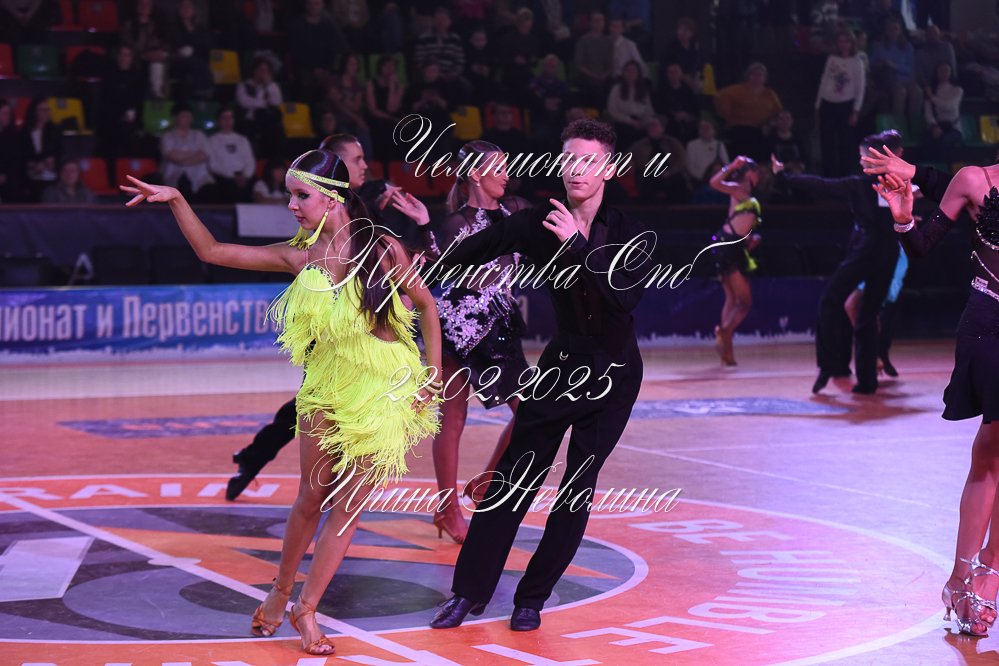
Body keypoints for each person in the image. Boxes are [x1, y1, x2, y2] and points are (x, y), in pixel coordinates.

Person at [121, 148, 441, 655]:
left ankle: (306, 610)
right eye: (289, 195)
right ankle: (280, 590)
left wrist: (433, 374)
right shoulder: (299, 255)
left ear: (332, 198)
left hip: (385, 390)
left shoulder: (382, 248)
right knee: (311, 499)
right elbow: (212, 251)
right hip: (325, 387)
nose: (291, 205)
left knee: (349, 508)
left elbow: (426, 305)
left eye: (300, 195)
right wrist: (178, 199)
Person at [429, 118, 649, 633]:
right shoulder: (538, 222)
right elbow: (473, 247)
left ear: (608, 169)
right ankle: (468, 594)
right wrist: (415, 267)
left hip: (614, 374)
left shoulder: (630, 232)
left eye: (590, 160)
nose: (577, 169)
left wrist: (577, 246)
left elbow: (624, 299)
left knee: (576, 489)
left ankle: (531, 599)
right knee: (512, 481)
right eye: (570, 158)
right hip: (561, 368)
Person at [227, 134, 434, 500]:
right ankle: (264, 463)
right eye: (356, 160)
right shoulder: (323, 209)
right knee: (306, 412)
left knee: (325, 426)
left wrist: (421, 228)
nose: (364, 166)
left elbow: (407, 265)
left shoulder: (375, 205)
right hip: (331, 338)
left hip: (371, 345)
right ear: (333, 169)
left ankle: (274, 467)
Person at [868, 149, 999, 637]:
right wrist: (903, 218)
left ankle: (976, 576)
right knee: (992, 453)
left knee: (993, 452)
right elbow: (921, 246)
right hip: (990, 326)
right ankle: (973, 577)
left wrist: (919, 172)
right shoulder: (975, 180)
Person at [417, 140, 532, 544]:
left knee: (531, 412)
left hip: (498, 325)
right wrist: (423, 227)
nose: (506, 175)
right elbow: (428, 268)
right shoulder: (456, 223)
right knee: (452, 420)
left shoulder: (516, 209)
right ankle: (447, 509)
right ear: (476, 175)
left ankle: (486, 482)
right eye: (498, 168)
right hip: (457, 325)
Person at [773, 129, 904, 395]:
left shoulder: (860, 184)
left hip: (867, 250)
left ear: (872, 158)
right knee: (867, 315)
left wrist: (783, 176)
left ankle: (829, 365)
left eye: (862, 157)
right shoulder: (896, 183)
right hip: (889, 252)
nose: (860, 161)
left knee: (830, 301)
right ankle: (867, 381)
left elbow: (821, 185)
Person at [708, 156, 761, 366]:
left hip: (731, 245)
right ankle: (725, 332)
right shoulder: (739, 190)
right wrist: (731, 166)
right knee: (745, 303)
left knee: (731, 297)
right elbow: (714, 183)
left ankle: (727, 351)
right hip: (728, 246)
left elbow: (740, 224)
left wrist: (749, 239)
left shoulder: (745, 194)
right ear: (749, 173)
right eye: (757, 171)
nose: (760, 175)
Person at [814, 29, 865, 177]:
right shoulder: (832, 59)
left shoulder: (857, 62)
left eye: (847, 41)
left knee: (845, 141)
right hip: (828, 102)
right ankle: (828, 174)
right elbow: (824, 81)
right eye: (841, 41)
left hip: (846, 105)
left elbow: (860, 87)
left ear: (852, 43)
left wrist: (856, 110)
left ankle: (844, 174)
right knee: (827, 140)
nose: (843, 45)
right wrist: (817, 105)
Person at [714, 62, 782, 162]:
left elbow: (778, 112)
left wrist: (770, 124)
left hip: (761, 131)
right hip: (740, 130)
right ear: (748, 76)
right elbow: (720, 97)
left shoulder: (769, 94)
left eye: (760, 75)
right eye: (754, 74)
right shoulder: (736, 90)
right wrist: (728, 117)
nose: (757, 77)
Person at [160, 104, 214, 200]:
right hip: (175, 176)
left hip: (199, 176)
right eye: (183, 116)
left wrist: (183, 158)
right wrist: (195, 154)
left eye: (189, 116)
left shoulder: (199, 135)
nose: (187, 119)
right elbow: (171, 155)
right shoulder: (167, 136)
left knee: (210, 191)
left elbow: (205, 154)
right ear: (175, 118)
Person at [208, 107, 256, 202]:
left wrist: (246, 175)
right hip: (224, 177)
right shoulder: (212, 140)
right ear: (218, 121)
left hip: (244, 176)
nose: (228, 121)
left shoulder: (242, 139)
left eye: (230, 118)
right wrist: (232, 176)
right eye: (224, 118)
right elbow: (213, 165)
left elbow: (250, 161)